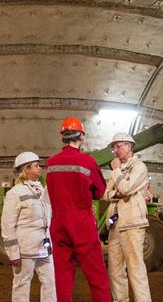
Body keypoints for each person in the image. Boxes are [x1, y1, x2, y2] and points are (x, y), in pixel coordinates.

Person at [45, 117, 111, 302]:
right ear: (81, 136)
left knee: (62, 278)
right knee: (97, 278)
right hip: (82, 224)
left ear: (63, 137)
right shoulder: (87, 162)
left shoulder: (51, 163)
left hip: (58, 223)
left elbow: (51, 190)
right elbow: (101, 191)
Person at [1, 151, 56, 302]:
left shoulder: (41, 191)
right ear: (26, 169)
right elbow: (7, 225)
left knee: (50, 282)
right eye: (36, 166)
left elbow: (48, 217)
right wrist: (13, 253)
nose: (40, 168)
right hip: (25, 249)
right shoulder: (15, 193)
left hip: (45, 247)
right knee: (22, 283)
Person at [104, 133, 151, 302]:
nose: (116, 150)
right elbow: (106, 195)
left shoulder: (139, 167)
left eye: (120, 146)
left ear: (130, 146)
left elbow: (126, 189)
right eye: (114, 147)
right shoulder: (118, 171)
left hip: (132, 224)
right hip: (115, 226)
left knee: (135, 269)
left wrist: (116, 172)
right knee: (115, 271)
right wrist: (117, 190)